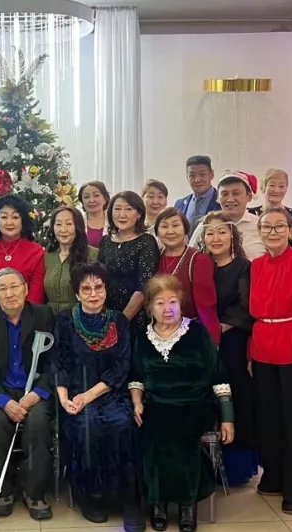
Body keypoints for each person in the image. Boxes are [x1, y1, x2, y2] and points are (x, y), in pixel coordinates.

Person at [129, 275, 234, 532]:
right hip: (155, 403)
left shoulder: (197, 333)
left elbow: (219, 377)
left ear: (181, 303)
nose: (168, 308)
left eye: (173, 302)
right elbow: (136, 377)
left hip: (195, 403)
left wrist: (227, 417)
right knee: (150, 429)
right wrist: (137, 402)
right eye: (160, 303)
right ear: (149, 307)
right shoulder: (142, 337)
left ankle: (188, 503)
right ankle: (158, 502)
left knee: (179, 430)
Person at [52, 263, 142, 530]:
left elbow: (122, 366)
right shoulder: (66, 320)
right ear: (77, 293)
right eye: (86, 289)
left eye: (98, 287)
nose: (93, 294)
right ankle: (92, 499)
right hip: (75, 394)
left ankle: (130, 502)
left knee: (123, 424)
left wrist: (89, 395)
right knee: (85, 426)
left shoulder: (119, 321)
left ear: (106, 290)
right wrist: (64, 399)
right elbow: (59, 362)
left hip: (111, 393)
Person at [248, 207, 292, 514]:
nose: (273, 232)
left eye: (279, 226)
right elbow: (254, 313)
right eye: (266, 227)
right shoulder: (256, 265)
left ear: (291, 231)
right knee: (268, 417)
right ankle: (274, 475)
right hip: (262, 346)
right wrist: (250, 351)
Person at [0, 268, 57, 520]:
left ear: (26, 289)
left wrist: (38, 394)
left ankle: (35, 491)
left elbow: (55, 362)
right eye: (3, 288)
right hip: (1, 391)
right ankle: (3, 490)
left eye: (14, 287)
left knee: (38, 423)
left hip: (36, 391)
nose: (9, 294)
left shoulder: (43, 315)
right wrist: (4, 401)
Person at [199, 210, 259, 487]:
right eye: (210, 232)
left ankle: (237, 468)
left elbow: (246, 305)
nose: (216, 238)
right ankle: (208, 465)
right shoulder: (200, 265)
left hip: (233, 340)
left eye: (222, 232)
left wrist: (220, 326)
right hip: (204, 341)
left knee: (236, 397)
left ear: (232, 236)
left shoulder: (243, 266)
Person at [98, 191, 160, 335]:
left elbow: (143, 288)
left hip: (135, 317)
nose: (122, 214)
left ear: (139, 214)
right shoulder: (105, 241)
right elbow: (99, 279)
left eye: (128, 209)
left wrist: (120, 323)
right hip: (105, 314)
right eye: (117, 209)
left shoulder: (146, 242)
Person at [153, 207, 219, 340]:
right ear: (157, 232)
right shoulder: (154, 257)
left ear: (185, 229)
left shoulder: (198, 259)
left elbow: (206, 306)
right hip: (158, 331)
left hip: (189, 333)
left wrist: (211, 340)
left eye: (175, 225)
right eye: (164, 226)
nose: (170, 231)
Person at [0, 194, 46, 304]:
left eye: (15, 217)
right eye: (4, 217)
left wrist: (19, 312)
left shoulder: (36, 252)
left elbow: (37, 293)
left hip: (28, 311)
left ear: (23, 221)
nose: (9, 222)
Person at [188, 170, 263, 259]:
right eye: (224, 194)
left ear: (249, 196)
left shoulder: (260, 226)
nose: (230, 199)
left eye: (236, 193)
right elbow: (189, 258)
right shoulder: (205, 226)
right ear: (218, 198)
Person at [44, 206, 98, 315]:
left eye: (69, 224)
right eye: (58, 224)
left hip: (80, 318)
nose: (63, 230)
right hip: (50, 319)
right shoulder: (47, 256)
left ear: (78, 227)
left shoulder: (93, 254)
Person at [247, 169, 292, 252]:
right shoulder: (250, 214)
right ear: (263, 187)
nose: (276, 190)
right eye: (272, 185)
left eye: (281, 186)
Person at [173, 155, 220, 235]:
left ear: (211, 175)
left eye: (202, 174)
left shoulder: (221, 202)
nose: (197, 180)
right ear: (187, 177)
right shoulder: (180, 204)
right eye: (192, 175)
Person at [79, 181, 111, 248]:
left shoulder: (114, 221)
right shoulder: (77, 223)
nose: (91, 200)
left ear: (105, 199)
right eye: (86, 197)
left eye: (96, 195)